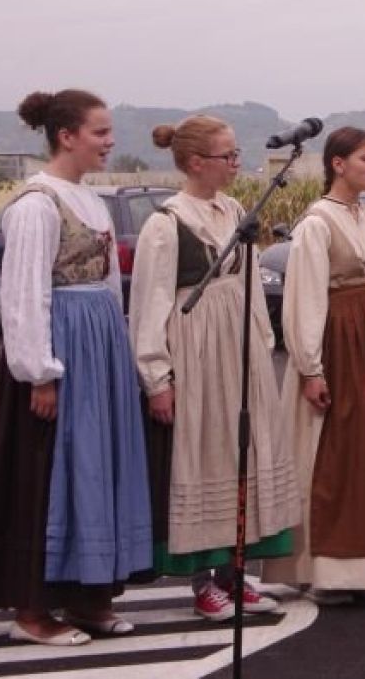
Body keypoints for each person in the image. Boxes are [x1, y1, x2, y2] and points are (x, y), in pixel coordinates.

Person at [0, 89, 152, 645]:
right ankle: (32, 610)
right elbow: (24, 294)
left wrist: (117, 354)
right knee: (47, 472)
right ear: (66, 136)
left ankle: (85, 596)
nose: (109, 141)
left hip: (98, 348)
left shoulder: (88, 199)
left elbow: (108, 284)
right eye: (100, 132)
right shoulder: (36, 204)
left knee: (94, 470)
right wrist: (40, 372)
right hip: (61, 351)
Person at [129, 114, 300, 621]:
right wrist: (157, 377)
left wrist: (262, 344)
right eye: (227, 155)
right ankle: (202, 582)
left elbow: (249, 283)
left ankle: (233, 572)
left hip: (237, 346)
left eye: (236, 153)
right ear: (196, 162)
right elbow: (149, 304)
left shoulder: (234, 211)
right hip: (196, 347)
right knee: (203, 454)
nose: (235, 162)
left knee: (240, 453)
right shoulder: (166, 223)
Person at [263, 126, 365, 604]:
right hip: (338, 344)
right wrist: (311, 368)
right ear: (338, 164)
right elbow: (304, 299)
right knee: (335, 455)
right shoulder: (317, 224)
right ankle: (327, 571)